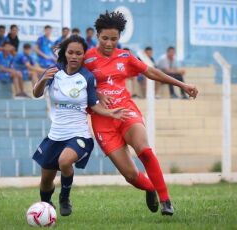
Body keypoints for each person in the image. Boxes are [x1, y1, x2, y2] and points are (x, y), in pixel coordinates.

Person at [84, 11, 198, 216]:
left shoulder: (125, 56)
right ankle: (150, 188)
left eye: (114, 39)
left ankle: (165, 200)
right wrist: (96, 92)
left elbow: (152, 72)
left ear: (119, 38)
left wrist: (182, 85)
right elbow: (75, 81)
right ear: (97, 36)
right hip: (102, 121)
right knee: (130, 175)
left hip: (126, 112)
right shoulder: (87, 58)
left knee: (144, 150)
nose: (109, 43)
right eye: (105, 38)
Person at [32, 35, 129, 216]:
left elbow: (93, 104)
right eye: (71, 52)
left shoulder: (87, 77)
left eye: (79, 53)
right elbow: (36, 94)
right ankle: (45, 209)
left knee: (65, 161)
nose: (74, 56)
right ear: (65, 53)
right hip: (55, 135)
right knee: (46, 180)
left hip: (79, 134)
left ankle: (64, 198)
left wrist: (109, 112)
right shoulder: (54, 72)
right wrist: (43, 79)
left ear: (84, 55)